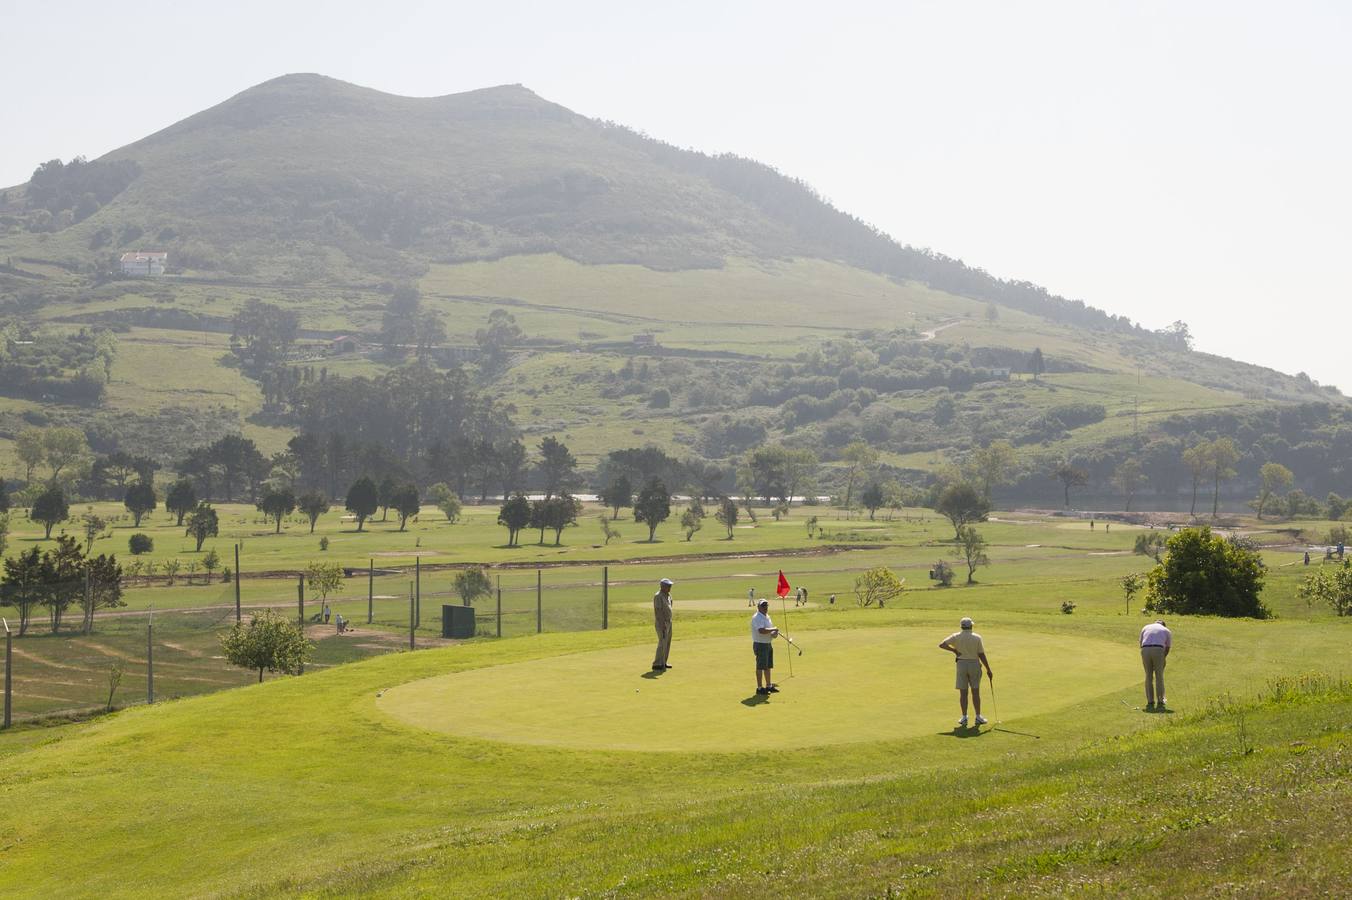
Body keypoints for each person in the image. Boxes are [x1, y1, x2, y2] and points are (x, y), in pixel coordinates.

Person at [939, 617, 993, 728]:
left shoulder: (956, 636)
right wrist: (988, 669)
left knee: (963, 693)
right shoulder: (977, 637)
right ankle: (978, 716)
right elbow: (981, 654)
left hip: (961, 664)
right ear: (971, 626)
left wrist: (954, 651)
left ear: (961, 626)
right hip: (974, 664)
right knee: (975, 691)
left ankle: (964, 717)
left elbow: (942, 644)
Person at [1139, 619, 1172, 710]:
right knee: (1159, 676)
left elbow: (1140, 643)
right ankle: (1160, 700)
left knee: (1148, 676)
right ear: (1163, 625)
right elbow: (1168, 647)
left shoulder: (1145, 627)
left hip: (1145, 650)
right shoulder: (1166, 630)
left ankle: (1150, 700)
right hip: (1158, 650)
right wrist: (1163, 658)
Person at [751, 599, 779, 695]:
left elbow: (769, 632)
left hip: (767, 643)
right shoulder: (757, 617)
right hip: (760, 644)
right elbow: (761, 631)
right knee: (760, 666)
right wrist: (773, 629)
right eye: (763, 606)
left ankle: (768, 686)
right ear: (758, 607)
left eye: (766, 606)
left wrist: (774, 634)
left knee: (767, 666)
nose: (765, 607)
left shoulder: (767, 617)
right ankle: (759, 688)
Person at [652, 578, 674, 671]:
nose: (670, 588)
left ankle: (663, 662)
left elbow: (670, 606)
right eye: (668, 586)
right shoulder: (658, 596)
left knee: (667, 642)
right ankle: (657, 664)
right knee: (662, 642)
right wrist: (662, 624)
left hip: (669, 621)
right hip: (662, 622)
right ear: (662, 586)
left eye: (670, 586)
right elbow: (658, 611)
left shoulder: (668, 595)